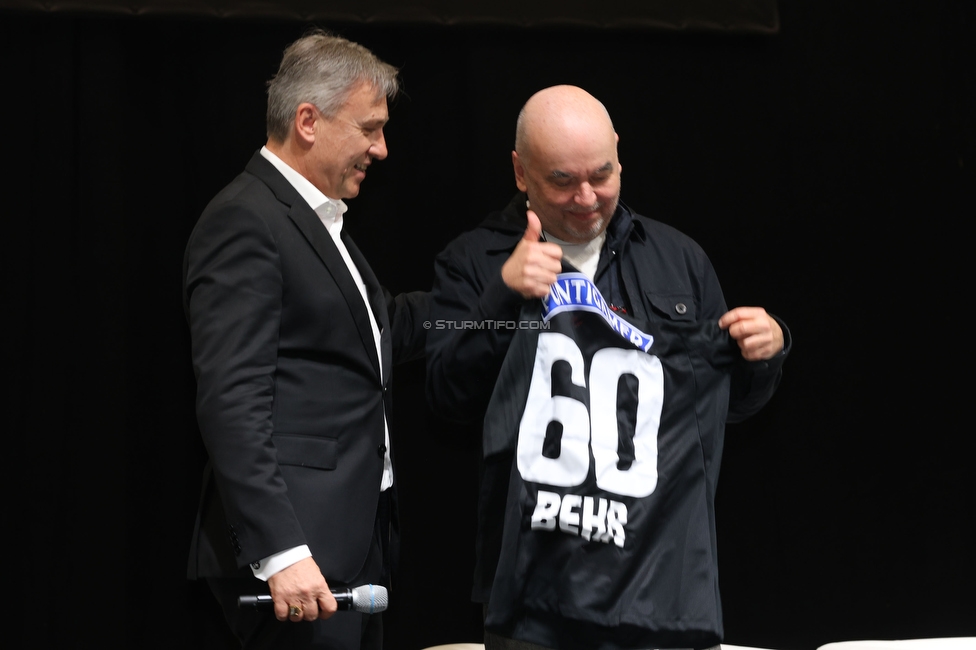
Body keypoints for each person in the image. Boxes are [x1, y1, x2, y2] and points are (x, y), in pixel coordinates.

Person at [425, 85, 790, 650]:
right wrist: (503, 297)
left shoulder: (679, 259)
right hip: (532, 590)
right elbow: (446, 394)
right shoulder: (474, 260)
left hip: (655, 589)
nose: (588, 197)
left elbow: (725, 407)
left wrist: (764, 352)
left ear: (620, 154)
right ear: (521, 172)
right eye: (564, 181)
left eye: (603, 174)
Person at [184, 30, 428, 650]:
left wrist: (493, 299)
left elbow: (380, 335)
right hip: (298, 566)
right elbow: (231, 402)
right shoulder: (247, 220)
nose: (382, 148)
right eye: (370, 128)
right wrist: (280, 551)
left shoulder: (319, 222)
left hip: (350, 551)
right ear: (309, 121)